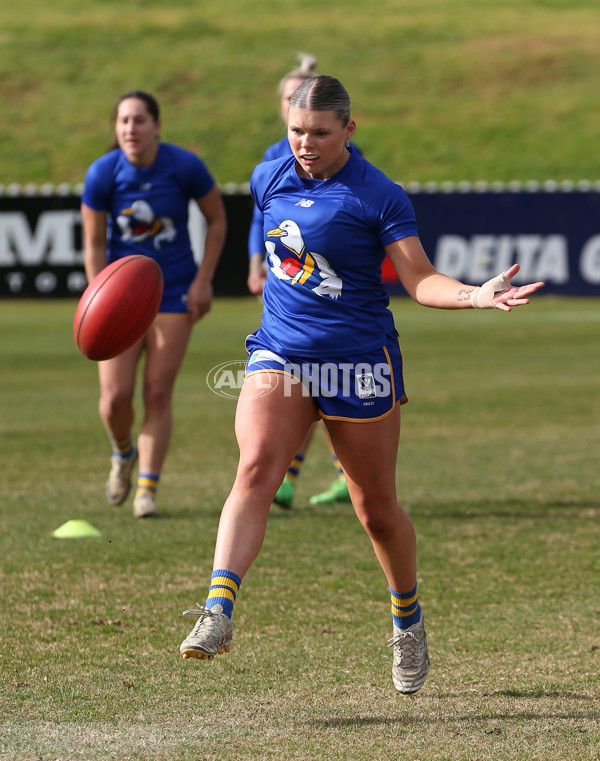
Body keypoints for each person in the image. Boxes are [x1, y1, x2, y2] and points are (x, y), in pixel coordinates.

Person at [180, 75, 544, 694]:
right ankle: (218, 609)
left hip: (359, 365)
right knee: (256, 467)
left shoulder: (379, 194)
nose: (306, 144)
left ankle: (407, 617)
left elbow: (420, 279)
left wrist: (475, 295)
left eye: (320, 133)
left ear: (350, 129)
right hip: (281, 355)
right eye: (296, 131)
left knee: (375, 512)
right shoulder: (268, 178)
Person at [81, 90, 226, 518]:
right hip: (121, 302)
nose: (131, 129)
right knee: (115, 399)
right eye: (124, 121)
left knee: (158, 392)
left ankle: (147, 489)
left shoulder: (185, 166)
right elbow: (92, 242)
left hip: (174, 291)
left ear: (157, 126)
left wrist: (203, 281)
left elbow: (217, 219)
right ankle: (122, 452)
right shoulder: (103, 173)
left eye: (140, 120)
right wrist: (98, 298)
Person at [247, 53, 353, 511]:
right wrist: (257, 262)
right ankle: (287, 476)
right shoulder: (273, 161)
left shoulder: (349, 162)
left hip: (335, 301)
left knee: (326, 387)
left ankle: (345, 473)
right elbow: (262, 220)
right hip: (288, 288)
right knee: (293, 387)